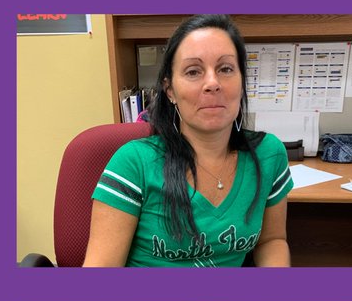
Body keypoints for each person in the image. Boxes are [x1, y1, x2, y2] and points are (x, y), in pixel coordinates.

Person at [84, 14, 291, 267]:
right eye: (193, 71)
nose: (212, 83)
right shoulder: (133, 163)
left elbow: (272, 240)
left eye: (226, 69)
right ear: (170, 90)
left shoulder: (268, 154)